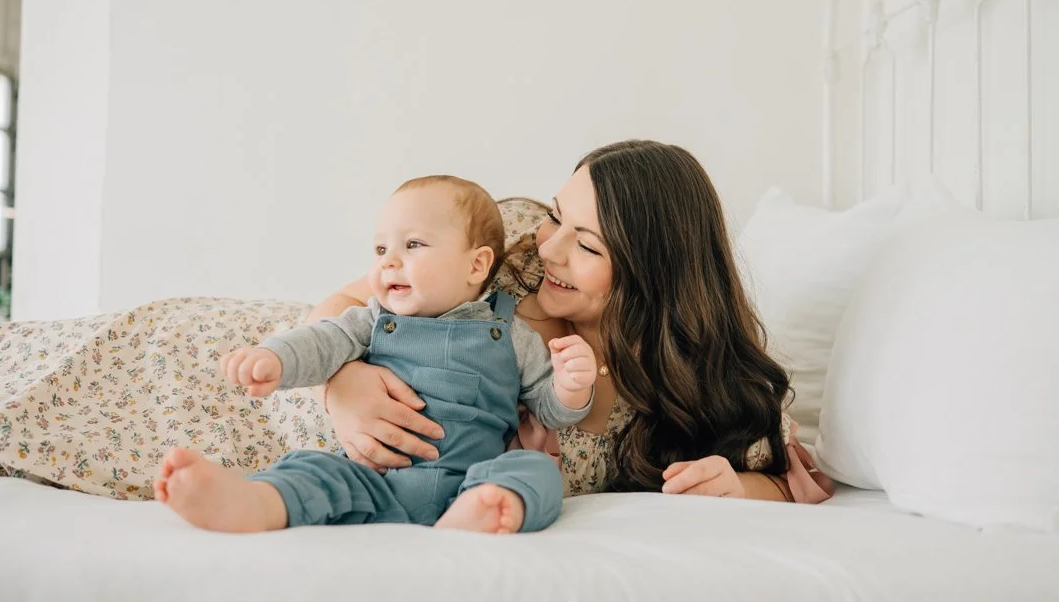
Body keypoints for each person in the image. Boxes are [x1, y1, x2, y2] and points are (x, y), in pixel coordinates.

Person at [311, 140, 835, 503]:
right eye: (557, 216)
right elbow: (341, 304)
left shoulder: (680, 381)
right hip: (281, 373)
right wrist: (342, 385)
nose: (551, 249)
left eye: (586, 244)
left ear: (651, 279)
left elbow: (785, 479)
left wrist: (736, 487)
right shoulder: (506, 250)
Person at [153, 175, 599, 533]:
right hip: (375, 480)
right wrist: (276, 359)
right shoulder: (372, 318)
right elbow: (322, 341)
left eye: (413, 245)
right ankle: (255, 501)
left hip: (473, 477)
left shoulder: (510, 331)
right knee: (313, 470)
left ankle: (488, 509)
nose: (388, 261)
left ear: (476, 265)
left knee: (534, 471)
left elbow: (549, 408)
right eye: (381, 248)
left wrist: (570, 387)